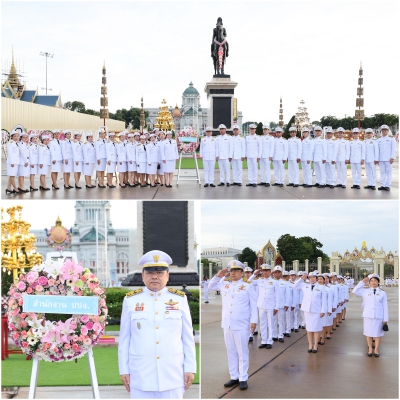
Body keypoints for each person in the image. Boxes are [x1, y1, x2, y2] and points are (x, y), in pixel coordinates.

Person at [118, 250, 196, 398]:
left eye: (160, 272)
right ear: (142, 276)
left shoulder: (179, 299)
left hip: (172, 374)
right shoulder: (131, 300)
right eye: (149, 273)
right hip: (140, 375)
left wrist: (190, 368)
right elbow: (125, 338)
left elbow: (187, 337)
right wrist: (124, 369)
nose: (154, 276)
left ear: (168, 275)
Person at [208, 260, 257, 390]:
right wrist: (219, 275)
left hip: (242, 324)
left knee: (242, 352)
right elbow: (211, 286)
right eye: (231, 270)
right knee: (231, 351)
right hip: (227, 324)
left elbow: (253, 305)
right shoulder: (224, 284)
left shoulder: (248, 286)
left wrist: (254, 321)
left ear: (242, 273)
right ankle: (234, 376)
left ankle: (243, 378)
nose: (233, 273)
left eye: (236, 271)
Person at [352, 274, 388, 357]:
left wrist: (385, 318)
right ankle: (370, 349)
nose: (373, 282)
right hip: (368, 316)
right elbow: (354, 290)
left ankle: (376, 350)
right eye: (371, 281)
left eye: (375, 281)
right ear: (369, 282)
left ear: (378, 282)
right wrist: (363, 282)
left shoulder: (382, 293)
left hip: (379, 316)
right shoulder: (365, 291)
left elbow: (385, 306)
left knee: (378, 334)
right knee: (368, 333)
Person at [294, 271, 327, 353]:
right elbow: (295, 286)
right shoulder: (305, 286)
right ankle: (310, 345)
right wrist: (301, 279)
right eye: (310, 277)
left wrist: (323, 311)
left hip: (317, 310)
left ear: (316, 278)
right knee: (309, 329)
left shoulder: (321, 287)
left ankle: (315, 345)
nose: (312, 279)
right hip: (307, 310)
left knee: (316, 329)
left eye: (313, 277)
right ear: (308, 279)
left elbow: (324, 300)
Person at [250, 264, 278, 349]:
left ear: (270, 272)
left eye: (267, 271)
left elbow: (278, 295)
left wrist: (276, 307)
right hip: (261, 305)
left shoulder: (274, 282)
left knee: (270, 324)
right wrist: (254, 274)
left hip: (270, 305)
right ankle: (264, 341)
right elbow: (248, 281)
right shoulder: (259, 280)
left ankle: (270, 341)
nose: (265, 272)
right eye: (263, 271)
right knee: (262, 324)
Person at [272, 265, 290, 342]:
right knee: (274, 321)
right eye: (275, 272)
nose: (277, 274)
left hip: (281, 304)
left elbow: (287, 294)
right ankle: (274, 335)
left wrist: (286, 304)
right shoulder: (271, 282)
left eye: (279, 272)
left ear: (281, 273)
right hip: (273, 304)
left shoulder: (285, 283)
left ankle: (280, 335)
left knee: (281, 320)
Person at [375, 124, 396, 191]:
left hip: (388, 159)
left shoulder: (391, 139)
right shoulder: (378, 140)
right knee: (382, 172)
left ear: (388, 131)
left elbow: (393, 149)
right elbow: (377, 150)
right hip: (381, 159)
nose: (384, 131)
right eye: (383, 130)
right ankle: (383, 185)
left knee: (388, 172)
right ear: (381, 131)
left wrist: (392, 157)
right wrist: (377, 159)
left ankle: (388, 185)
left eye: (385, 130)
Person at [6, 128, 21, 194]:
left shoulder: (15, 143)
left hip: (16, 161)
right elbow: (10, 153)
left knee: (12, 175)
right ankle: (15, 188)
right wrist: (12, 162)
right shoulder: (10, 143)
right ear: (12, 137)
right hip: (12, 162)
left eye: (17, 136)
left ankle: (8, 188)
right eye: (14, 136)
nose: (16, 137)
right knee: (12, 175)